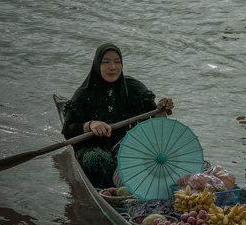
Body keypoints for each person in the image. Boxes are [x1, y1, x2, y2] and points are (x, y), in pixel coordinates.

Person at [61, 43, 174, 189]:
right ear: (97, 65)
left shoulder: (134, 88)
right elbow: (67, 130)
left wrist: (163, 108)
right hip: (98, 150)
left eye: (117, 62)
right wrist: (90, 125)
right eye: (106, 62)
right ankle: (110, 192)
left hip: (130, 147)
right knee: (93, 159)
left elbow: (154, 118)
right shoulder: (84, 94)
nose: (112, 67)